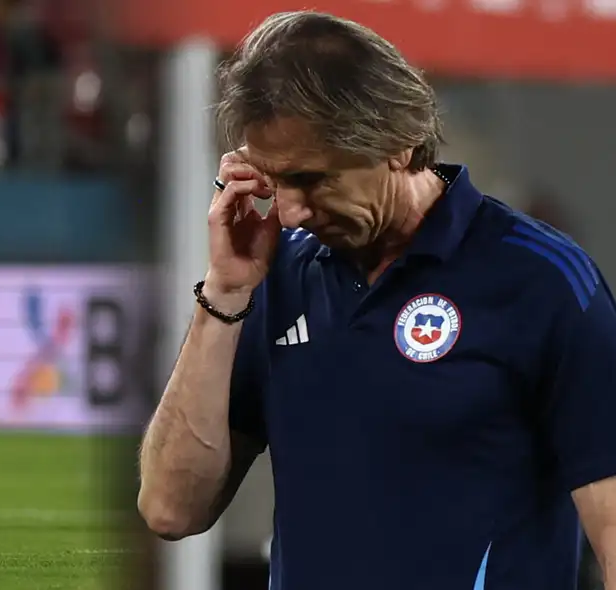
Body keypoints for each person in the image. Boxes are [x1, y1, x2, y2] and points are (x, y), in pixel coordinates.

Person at [137, 11, 616, 590]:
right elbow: (170, 508)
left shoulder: (542, 282)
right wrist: (225, 291)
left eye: (312, 179)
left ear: (397, 141)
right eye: (273, 182)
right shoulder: (277, 276)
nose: (290, 213)